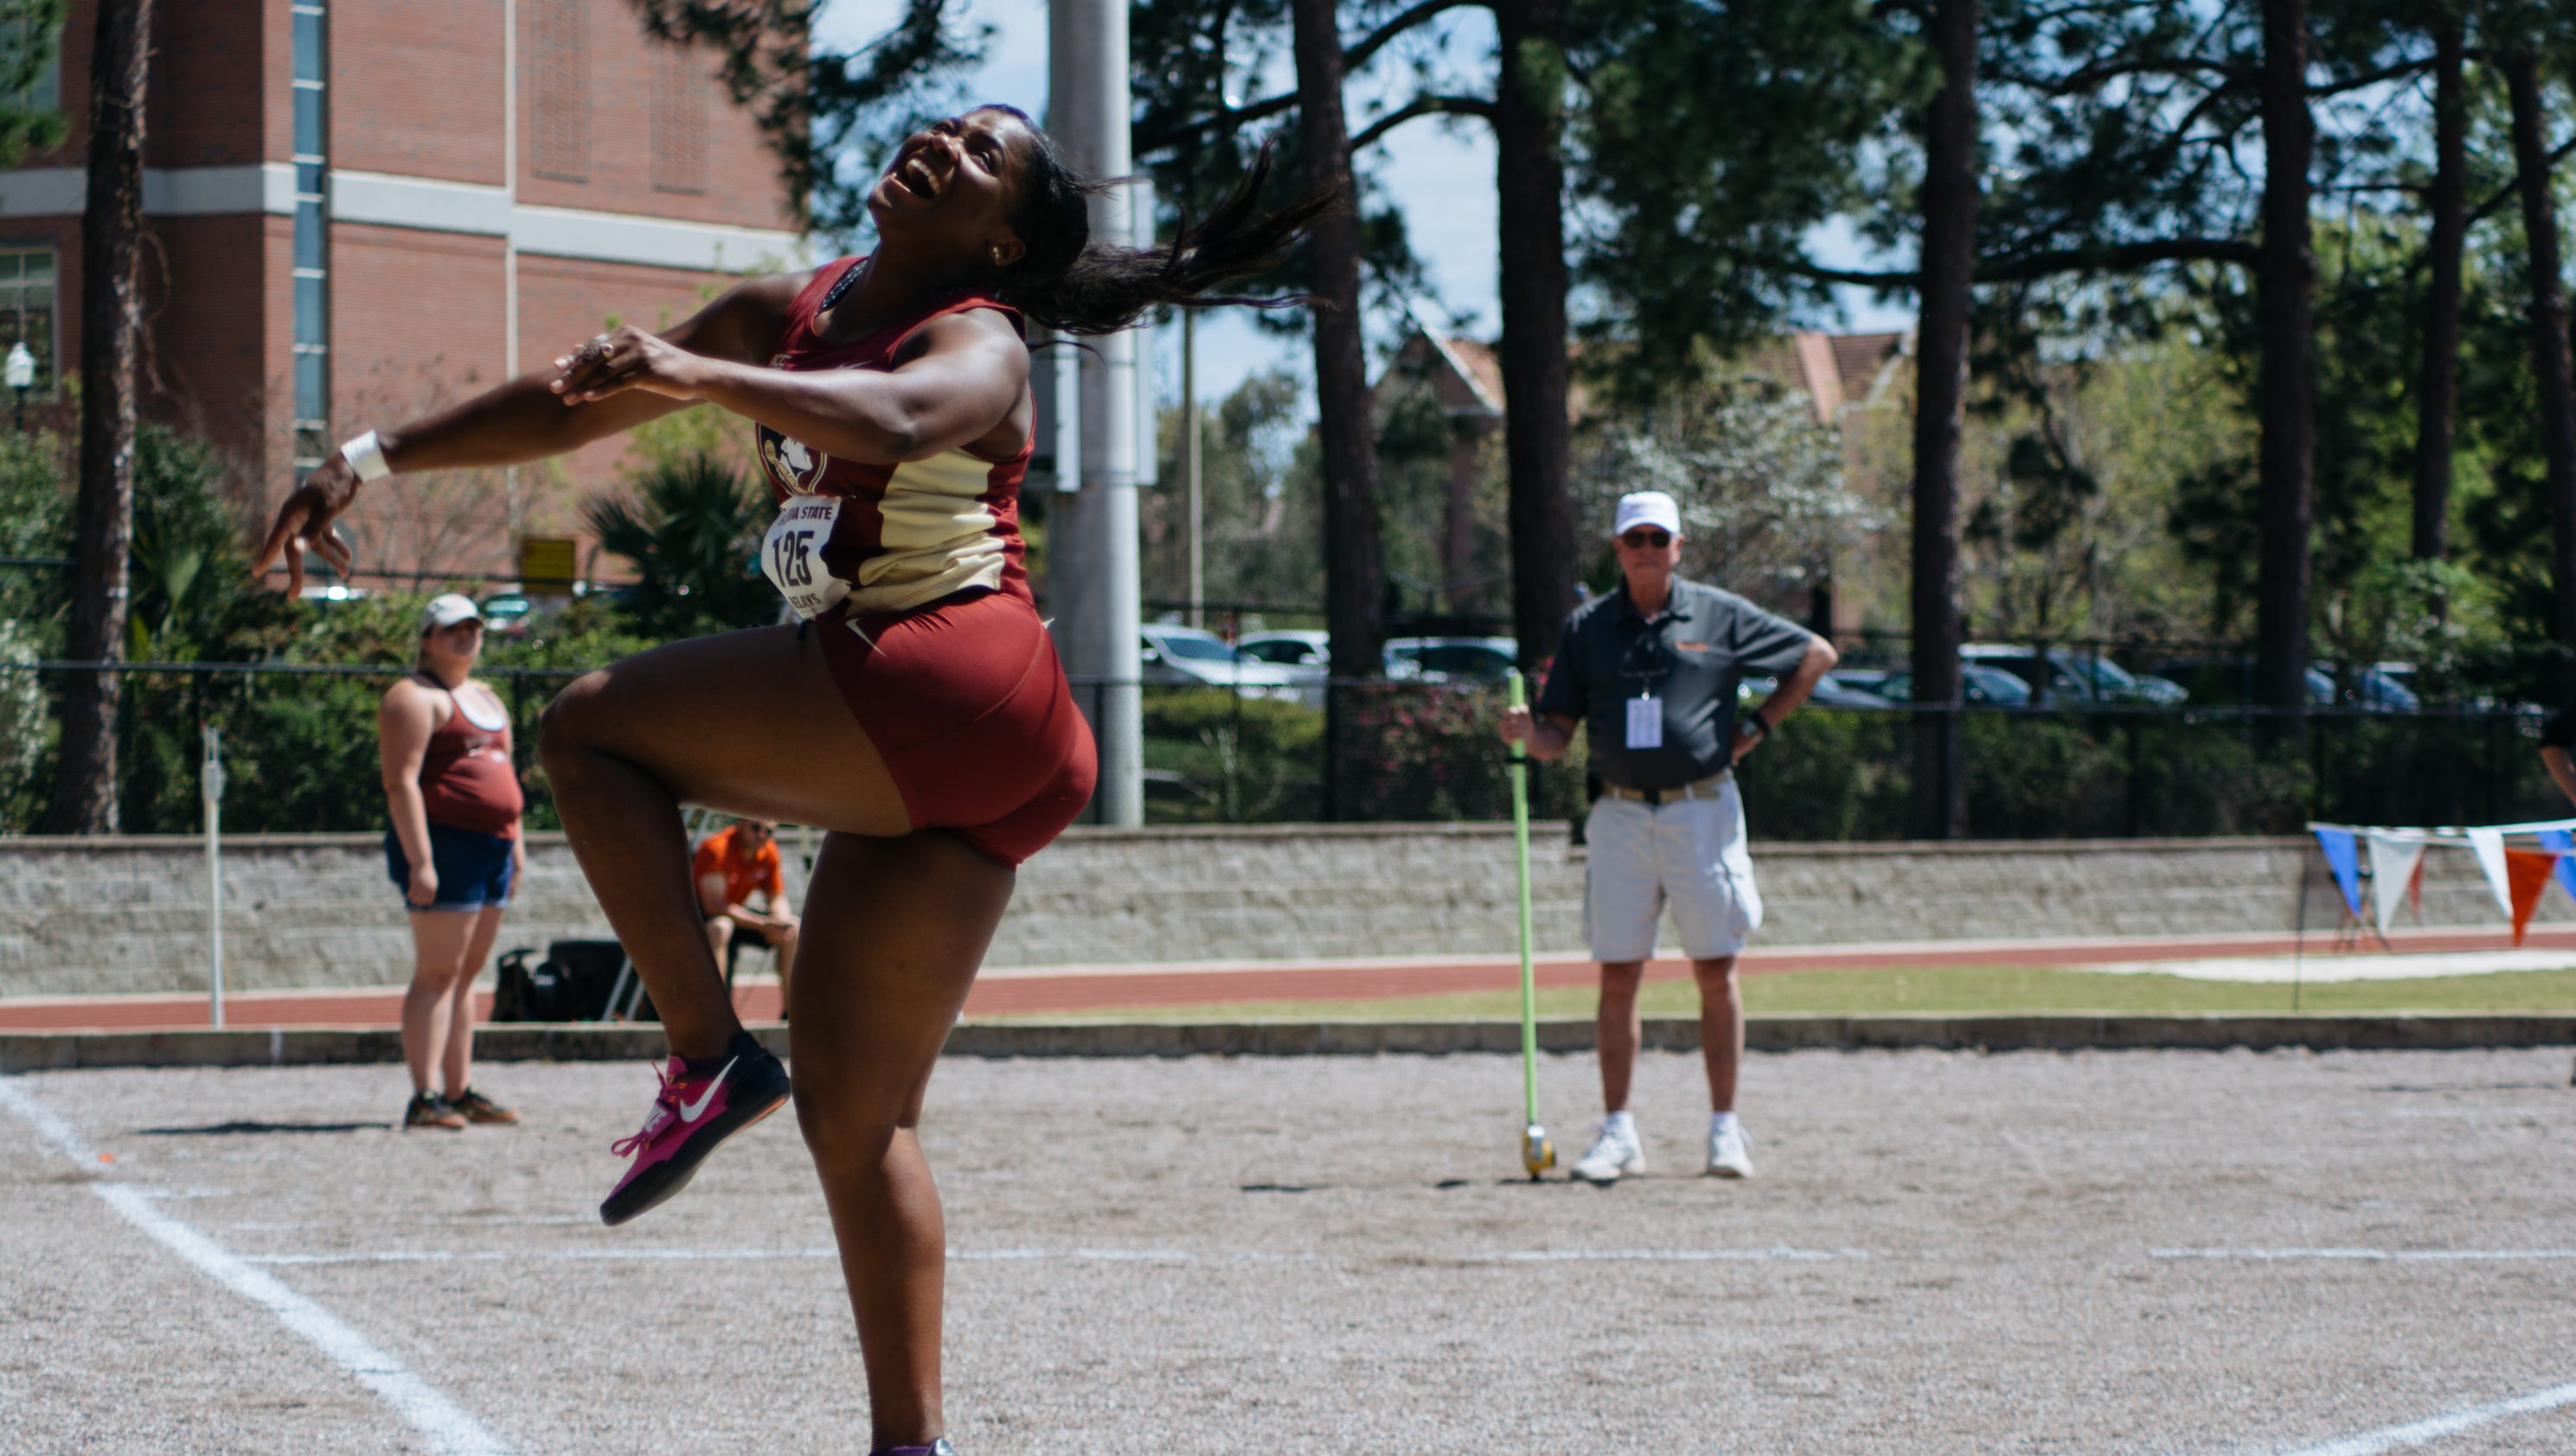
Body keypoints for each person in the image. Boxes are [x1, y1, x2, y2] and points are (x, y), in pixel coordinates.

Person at [254, 106, 1323, 1456]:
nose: (942, 142)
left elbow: (895, 417)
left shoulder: (976, 335)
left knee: (587, 729)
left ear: (996, 234)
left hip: (949, 668)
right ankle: (909, 1443)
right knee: (857, 1114)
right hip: (979, 752)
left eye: (982, 154)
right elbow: (568, 404)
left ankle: (704, 1057)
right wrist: (361, 463)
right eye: (944, 126)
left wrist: (702, 377)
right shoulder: (788, 308)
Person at [1497, 490, 1837, 1184]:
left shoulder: (1719, 613)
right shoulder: (1587, 628)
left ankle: (1724, 1130)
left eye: (1660, 537)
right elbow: (1557, 735)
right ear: (1618, 549)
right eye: (1636, 538)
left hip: (1701, 809)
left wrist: (1756, 728)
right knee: (1618, 972)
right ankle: (1619, 1131)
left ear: (1679, 545)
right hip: (1620, 815)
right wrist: (1526, 735)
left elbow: (1816, 654)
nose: (1648, 548)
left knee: (1716, 969)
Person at [379, 593, 524, 1131]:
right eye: (451, 629)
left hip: (493, 848)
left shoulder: (485, 696)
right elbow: (401, 781)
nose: (465, 637)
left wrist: (517, 844)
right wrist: (421, 861)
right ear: (426, 639)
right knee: (438, 973)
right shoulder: (412, 697)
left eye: (473, 628)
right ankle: (425, 1095)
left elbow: (506, 773)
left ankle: (460, 1090)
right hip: (446, 845)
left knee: (466, 976)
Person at [694, 817, 800, 1005]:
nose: (762, 835)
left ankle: (792, 1011)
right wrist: (763, 924)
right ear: (741, 824)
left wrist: (780, 921)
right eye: (756, 828)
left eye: (768, 831)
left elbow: (776, 896)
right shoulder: (717, 849)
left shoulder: (768, 850)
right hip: (698, 917)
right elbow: (714, 906)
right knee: (721, 927)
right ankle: (716, 1009)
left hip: (735, 914)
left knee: (793, 930)